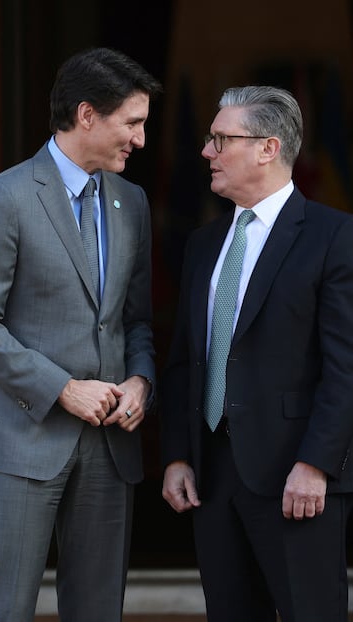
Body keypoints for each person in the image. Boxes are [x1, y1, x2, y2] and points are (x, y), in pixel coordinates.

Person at [0, 46, 161, 622]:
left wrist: (141, 380)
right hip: (21, 441)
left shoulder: (132, 202)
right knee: (7, 611)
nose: (140, 140)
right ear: (87, 114)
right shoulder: (6, 196)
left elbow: (136, 318)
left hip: (110, 447)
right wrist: (62, 388)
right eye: (133, 123)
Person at [161, 85, 353, 621]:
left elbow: (346, 367)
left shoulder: (334, 236)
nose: (206, 152)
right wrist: (178, 452)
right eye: (208, 139)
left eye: (221, 139)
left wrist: (316, 462)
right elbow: (183, 359)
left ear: (268, 148)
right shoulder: (202, 243)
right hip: (214, 478)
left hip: (298, 478)